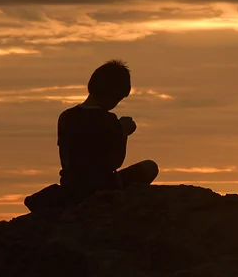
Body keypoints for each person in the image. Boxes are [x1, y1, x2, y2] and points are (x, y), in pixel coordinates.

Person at [24, 60, 159, 212]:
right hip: (101, 187)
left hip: (71, 185)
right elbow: (115, 162)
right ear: (114, 95)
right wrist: (123, 133)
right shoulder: (109, 121)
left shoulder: (66, 117)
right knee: (150, 167)